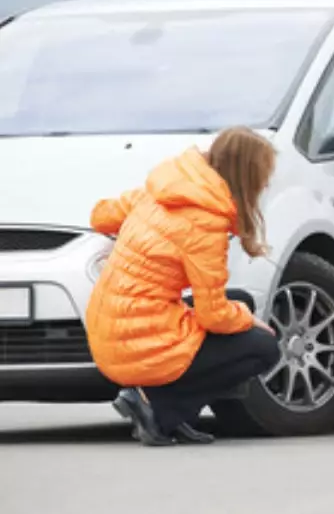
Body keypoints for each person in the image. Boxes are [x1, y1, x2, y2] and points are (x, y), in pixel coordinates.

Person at [84, 126, 282, 446]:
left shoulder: (167, 188)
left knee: (240, 301)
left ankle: (170, 411)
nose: (266, 184)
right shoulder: (206, 222)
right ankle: (159, 407)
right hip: (137, 341)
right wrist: (249, 319)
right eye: (264, 177)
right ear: (246, 177)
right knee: (263, 346)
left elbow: (100, 216)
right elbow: (213, 315)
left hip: (108, 323)